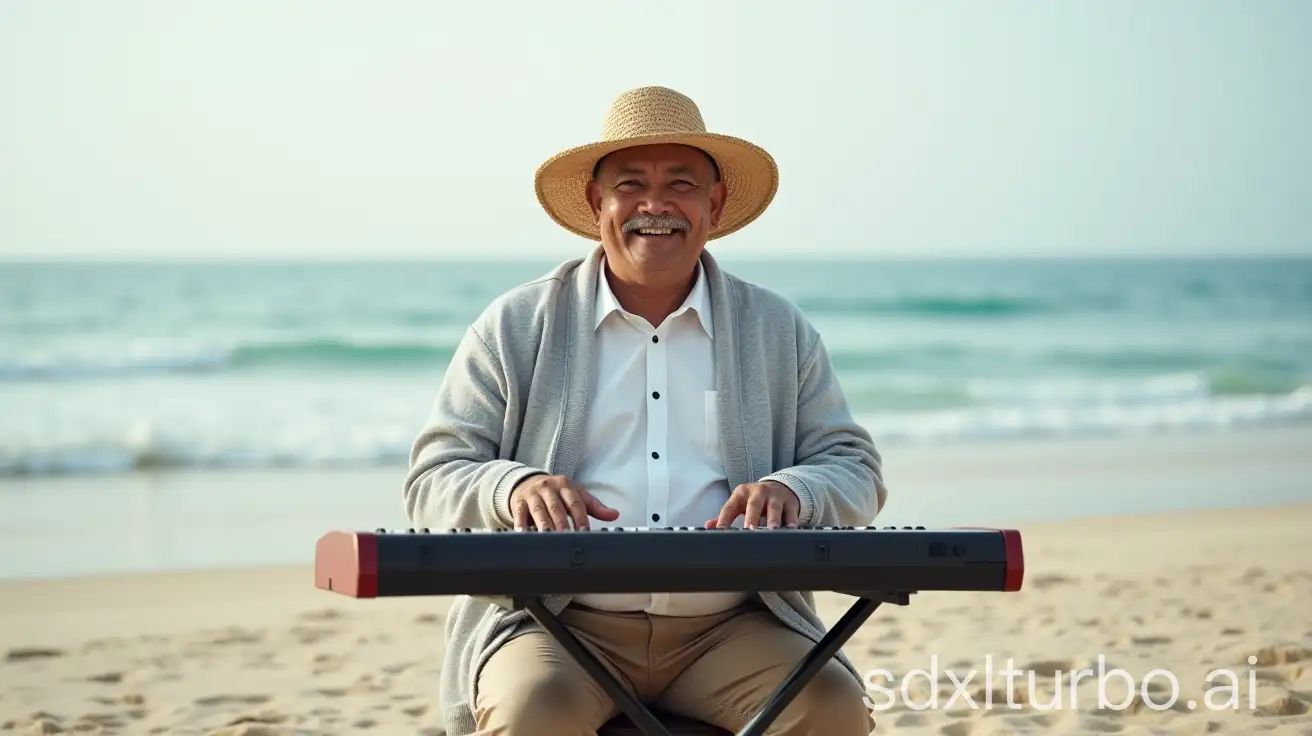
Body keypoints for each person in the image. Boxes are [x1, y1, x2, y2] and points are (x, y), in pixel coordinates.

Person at [404, 86, 887, 736]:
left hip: (731, 628)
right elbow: (433, 475)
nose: (655, 205)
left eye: (680, 184)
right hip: (558, 624)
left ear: (713, 204)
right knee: (529, 711)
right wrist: (511, 486)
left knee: (830, 705)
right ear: (594, 203)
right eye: (630, 184)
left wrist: (792, 492)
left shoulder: (776, 328)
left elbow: (853, 465)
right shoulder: (515, 324)